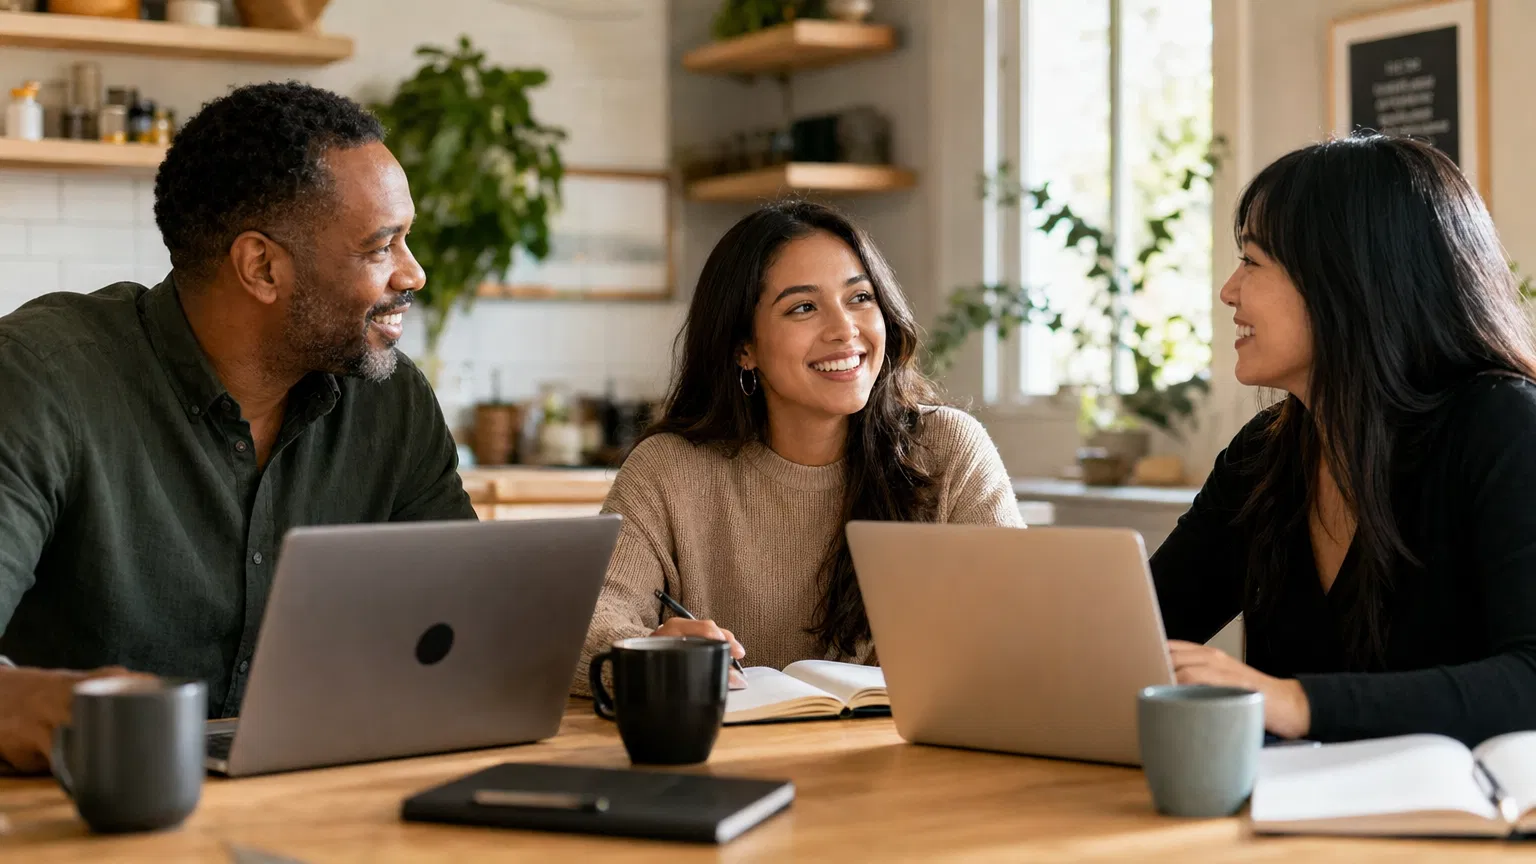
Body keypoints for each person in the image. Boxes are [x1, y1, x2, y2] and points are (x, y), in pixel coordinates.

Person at [0, 82, 474, 772]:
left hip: (326, 796)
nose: (415, 272)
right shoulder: (41, 376)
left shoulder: (391, 403)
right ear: (262, 267)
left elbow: (473, 629)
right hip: (84, 809)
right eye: (382, 247)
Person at [1151, 135, 1536, 745]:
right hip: (1288, 824)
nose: (1229, 290)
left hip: (1468, 827)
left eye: (1251, 261)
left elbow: (1529, 680)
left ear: (1347, 281)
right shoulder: (1264, 455)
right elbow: (1145, 630)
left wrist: (1295, 702)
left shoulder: (1504, 426)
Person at [574, 201, 1021, 695]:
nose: (844, 329)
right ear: (744, 347)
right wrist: (650, 656)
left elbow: (1024, 626)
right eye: (803, 307)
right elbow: (585, 629)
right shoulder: (669, 470)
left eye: (860, 298)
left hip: (907, 760)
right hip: (730, 764)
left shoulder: (949, 450)